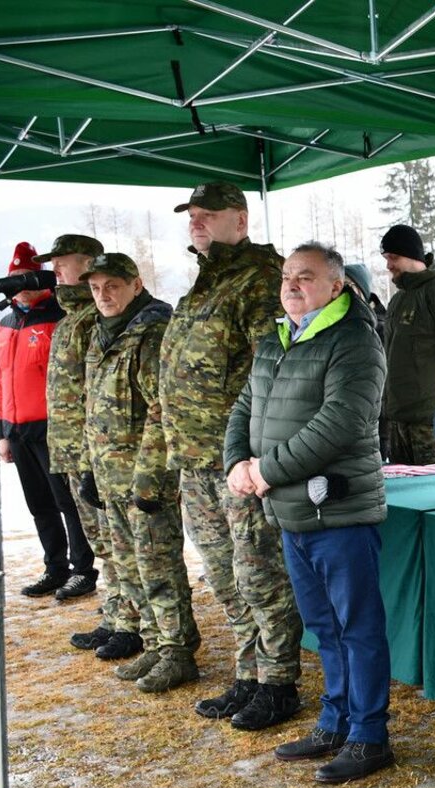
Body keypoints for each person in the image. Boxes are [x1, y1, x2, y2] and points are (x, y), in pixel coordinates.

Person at [225, 242, 393, 784]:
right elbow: (245, 405)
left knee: (356, 626)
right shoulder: (277, 338)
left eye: (305, 276)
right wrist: (236, 461)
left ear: (336, 285)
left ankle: (369, 735)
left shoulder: (354, 340)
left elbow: (340, 422)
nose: (292, 285)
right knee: (322, 626)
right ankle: (334, 721)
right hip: (291, 511)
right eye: (286, 276)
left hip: (339, 511)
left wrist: (267, 471)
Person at [152, 181, 303, 726]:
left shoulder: (261, 280)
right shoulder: (205, 283)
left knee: (259, 574)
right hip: (196, 460)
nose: (196, 222)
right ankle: (248, 673)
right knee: (223, 574)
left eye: (208, 214)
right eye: (192, 215)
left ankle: (279, 682)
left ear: (240, 220)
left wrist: (255, 455)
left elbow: (275, 373)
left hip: (241, 460)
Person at [80, 253, 201, 693]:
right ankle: (153, 642)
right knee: (129, 568)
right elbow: (94, 407)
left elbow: (162, 409)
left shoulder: (152, 332)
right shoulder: (102, 332)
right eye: (96, 288)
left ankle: (177, 651)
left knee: (158, 568)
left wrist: (150, 479)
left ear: (135, 284)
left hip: (144, 479)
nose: (103, 295)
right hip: (111, 476)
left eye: (112, 286)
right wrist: (90, 468)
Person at [37, 233, 135, 653]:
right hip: (73, 453)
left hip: (98, 454)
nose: (56, 269)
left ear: (90, 262)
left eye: (64, 261)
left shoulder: (96, 319)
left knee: (119, 543)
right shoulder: (72, 319)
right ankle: (115, 615)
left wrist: (94, 457)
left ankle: (130, 622)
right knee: (102, 545)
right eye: (54, 262)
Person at [0, 240, 96, 600]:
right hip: (18, 430)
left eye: (26, 277)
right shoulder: (6, 323)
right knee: (39, 504)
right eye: (14, 278)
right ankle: (55, 567)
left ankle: (83, 569)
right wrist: (3, 432)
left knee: (68, 502)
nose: (20, 286)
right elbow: (2, 380)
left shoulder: (58, 316)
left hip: (54, 429)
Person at [379, 224, 435, 465]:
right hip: (398, 424)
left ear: (412, 255)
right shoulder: (397, 301)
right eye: (386, 258)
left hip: (432, 424)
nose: (388, 265)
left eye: (393, 257)